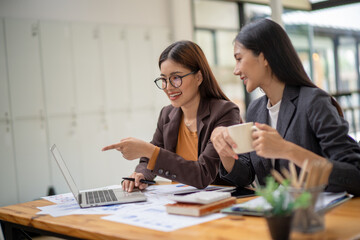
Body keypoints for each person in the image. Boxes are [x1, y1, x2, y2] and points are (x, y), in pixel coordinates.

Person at [210, 18, 360, 196]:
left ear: (264, 57)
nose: (236, 70)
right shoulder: (256, 109)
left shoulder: (314, 102)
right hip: (277, 214)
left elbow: (354, 175)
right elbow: (245, 176)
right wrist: (225, 152)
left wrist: (286, 150)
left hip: (317, 214)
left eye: (239, 59)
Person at [102, 40, 241, 192]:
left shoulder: (225, 112)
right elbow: (148, 159)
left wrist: (148, 150)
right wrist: (141, 174)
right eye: (163, 79)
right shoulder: (167, 114)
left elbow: (203, 174)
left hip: (222, 204)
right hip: (183, 203)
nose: (168, 87)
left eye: (175, 78)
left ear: (199, 77)